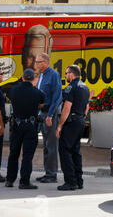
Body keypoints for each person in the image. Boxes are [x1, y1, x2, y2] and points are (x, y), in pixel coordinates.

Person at [5, 69, 45, 189]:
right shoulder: (38, 93)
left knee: (13, 153)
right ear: (33, 79)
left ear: (22, 78)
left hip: (16, 125)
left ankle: (9, 180)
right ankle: (24, 182)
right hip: (30, 126)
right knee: (27, 155)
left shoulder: (13, 90)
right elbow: (41, 104)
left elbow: (10, 97)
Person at [56, 65, 90, 191]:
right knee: (76, 151)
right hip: (80, 120)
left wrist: (60, 125)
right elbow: (87, 106)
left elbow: (67, 107)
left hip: (71, 122)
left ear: (71, 74)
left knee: (65, 150)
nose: (65, 76)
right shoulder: (85, 86)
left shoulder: (71, 87)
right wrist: (82, 116)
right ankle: (79, 180)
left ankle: (70, 182)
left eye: (66, 73)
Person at [35, 53, 62, 183]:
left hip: (50, 115)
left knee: (51, 145)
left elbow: (57, 97)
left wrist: (50, 115)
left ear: (45, 62)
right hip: (42, 114)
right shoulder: (42, 75)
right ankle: (47, 172)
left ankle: (52, 174)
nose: (36, 64)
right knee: (46, 145)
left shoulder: (54, 75)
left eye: (38, 62)